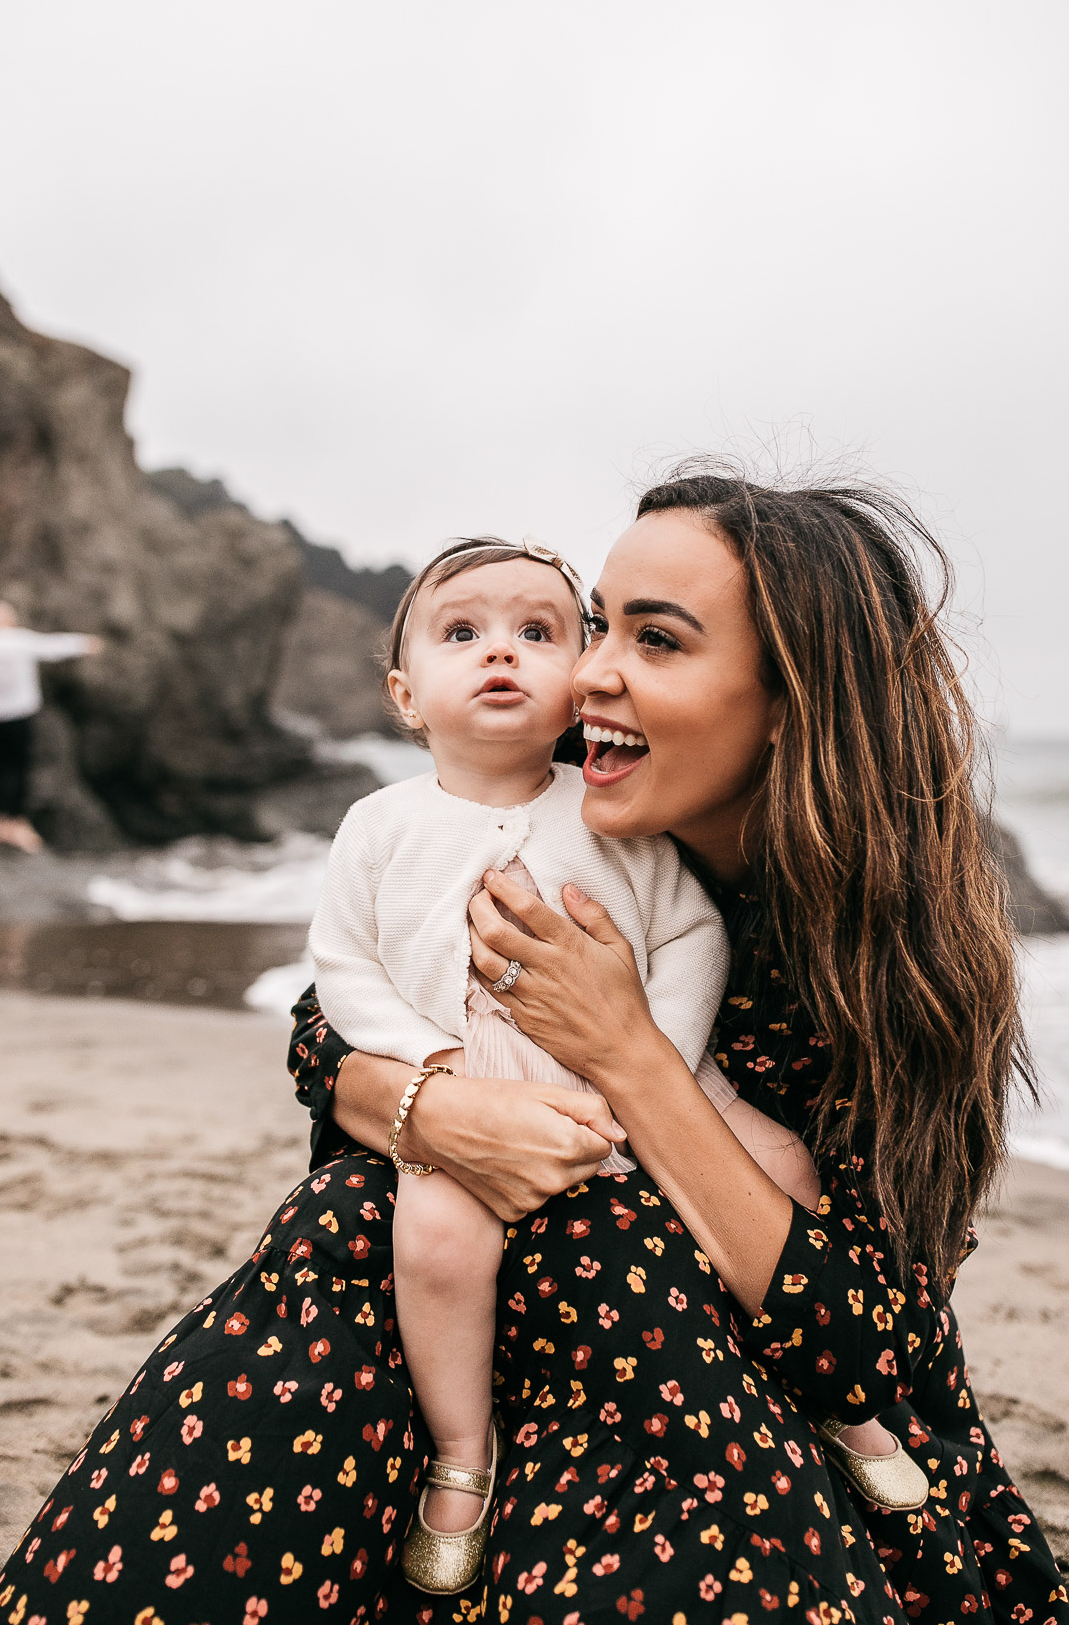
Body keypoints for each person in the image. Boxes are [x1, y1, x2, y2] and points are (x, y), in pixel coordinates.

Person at [0, 465, 1067, 1625]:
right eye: (600, 626)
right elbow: (329, 1022)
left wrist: (626, 1052)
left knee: (574, 1257)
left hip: (725, 1374)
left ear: (793, 700)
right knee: (356, 1216)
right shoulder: (533, 833)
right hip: (497, 1309)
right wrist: (430, 1107)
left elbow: (866, 1350)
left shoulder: (883, 956)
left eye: (657, 641)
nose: (594, 670)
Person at [312, 533, 923, 1596]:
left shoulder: (609, 820)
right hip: (476, 1082)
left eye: (537, 632)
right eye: (463, 634)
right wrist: (432, 1067)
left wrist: (653, 1065)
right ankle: (461, 1456)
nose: (501, 652)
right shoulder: (379, 825)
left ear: (570, 684)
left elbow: (690, 938)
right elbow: (340, 970)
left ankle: (848, 1407)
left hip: (660, 1078)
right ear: (405, 696)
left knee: (783, 1164)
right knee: (438, 1246)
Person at [0, 600, 103, 852]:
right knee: (19, 768)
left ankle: (0, 822)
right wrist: (85, 644)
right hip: (20, 714)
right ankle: (16, 823)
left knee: (1, 767)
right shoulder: (18, 640)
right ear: (7, 619)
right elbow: (53, 647)